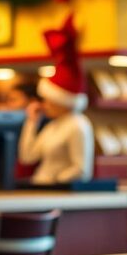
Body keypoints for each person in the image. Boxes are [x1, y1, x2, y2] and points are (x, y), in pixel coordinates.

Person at [18, 15, 94, 184]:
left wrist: (54, 182)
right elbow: (28, 157)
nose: (44, 105)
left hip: (59, 195)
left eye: (48, 100)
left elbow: (81, 170)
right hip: (43, 190)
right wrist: (31, 124)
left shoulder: (78, 125)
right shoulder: (53, 126)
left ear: (62, 101)